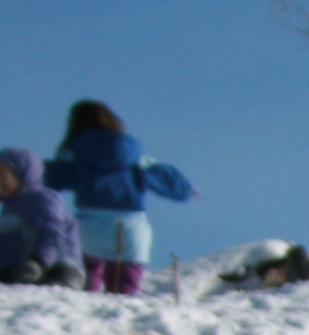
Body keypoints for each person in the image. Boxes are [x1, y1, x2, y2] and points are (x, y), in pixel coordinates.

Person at [42, 100, 190, 296]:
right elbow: (173, 185)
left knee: (86, 286)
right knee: (124, 289)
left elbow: (50, 178)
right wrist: (187, 191)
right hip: (131, 226)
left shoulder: (75, 155)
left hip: (89, 225)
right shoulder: (135, 157)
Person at [0, 149, 81, 285]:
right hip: (21, 266)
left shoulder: (42, 199)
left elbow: (51, 232)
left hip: (58, 267)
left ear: (22, 174)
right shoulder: (10, 207)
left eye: (3, 175)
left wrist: (39, 261)